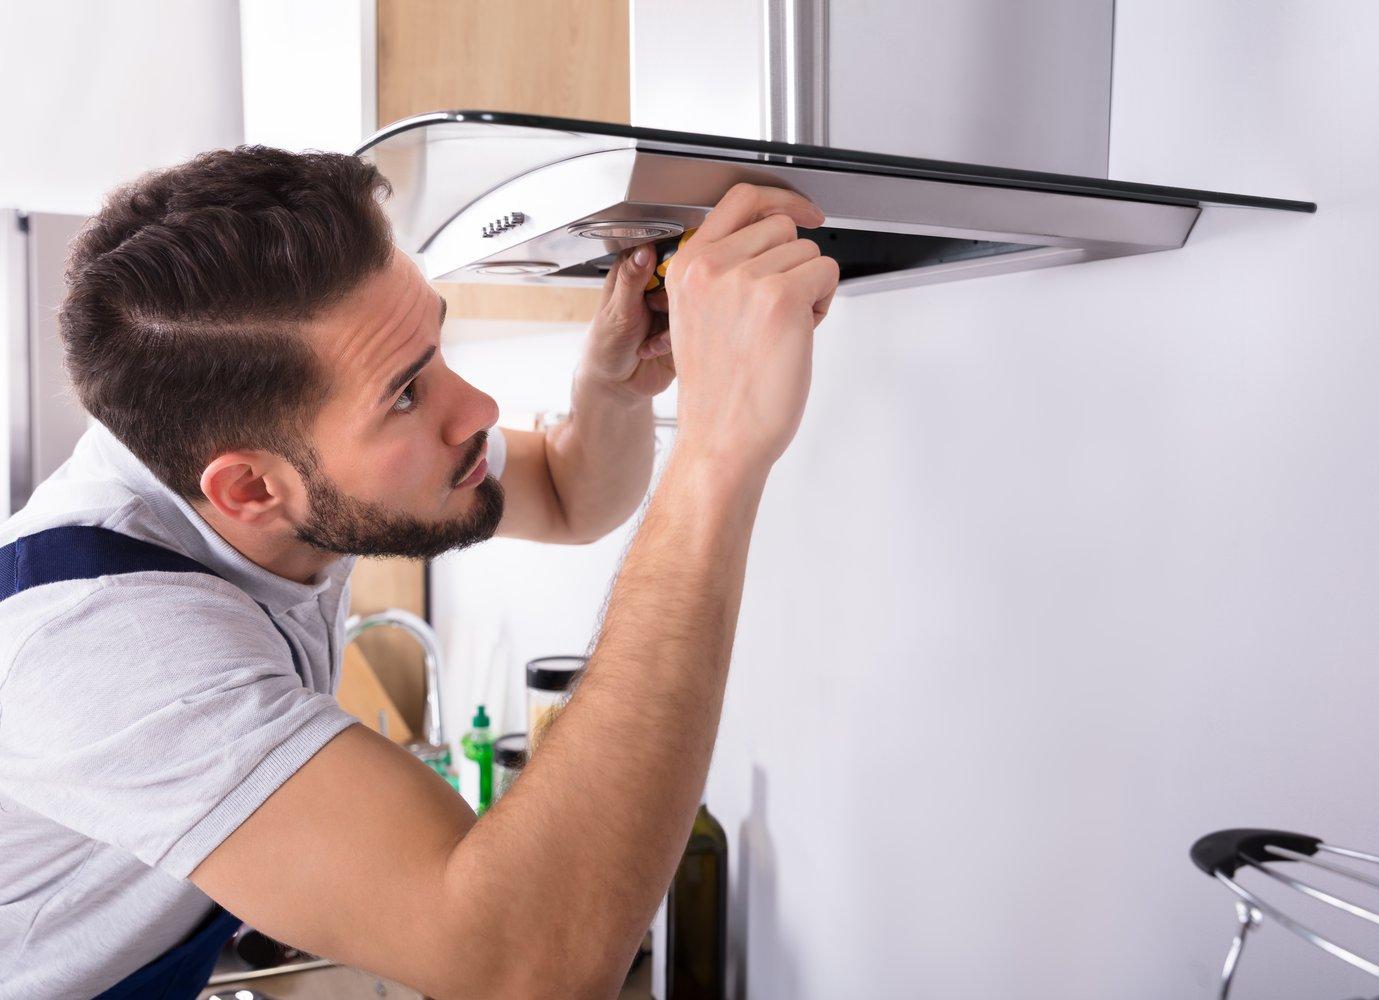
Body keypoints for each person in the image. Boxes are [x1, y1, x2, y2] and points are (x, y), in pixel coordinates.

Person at [0, 146, 838, 998]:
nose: (475, 409)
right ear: (249, 486)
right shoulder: (107, 649)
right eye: (406, 394)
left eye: (436, 344)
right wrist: (719, 451)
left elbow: (568, 492)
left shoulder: (236, 446)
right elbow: (525, 965)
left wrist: (614, 392)